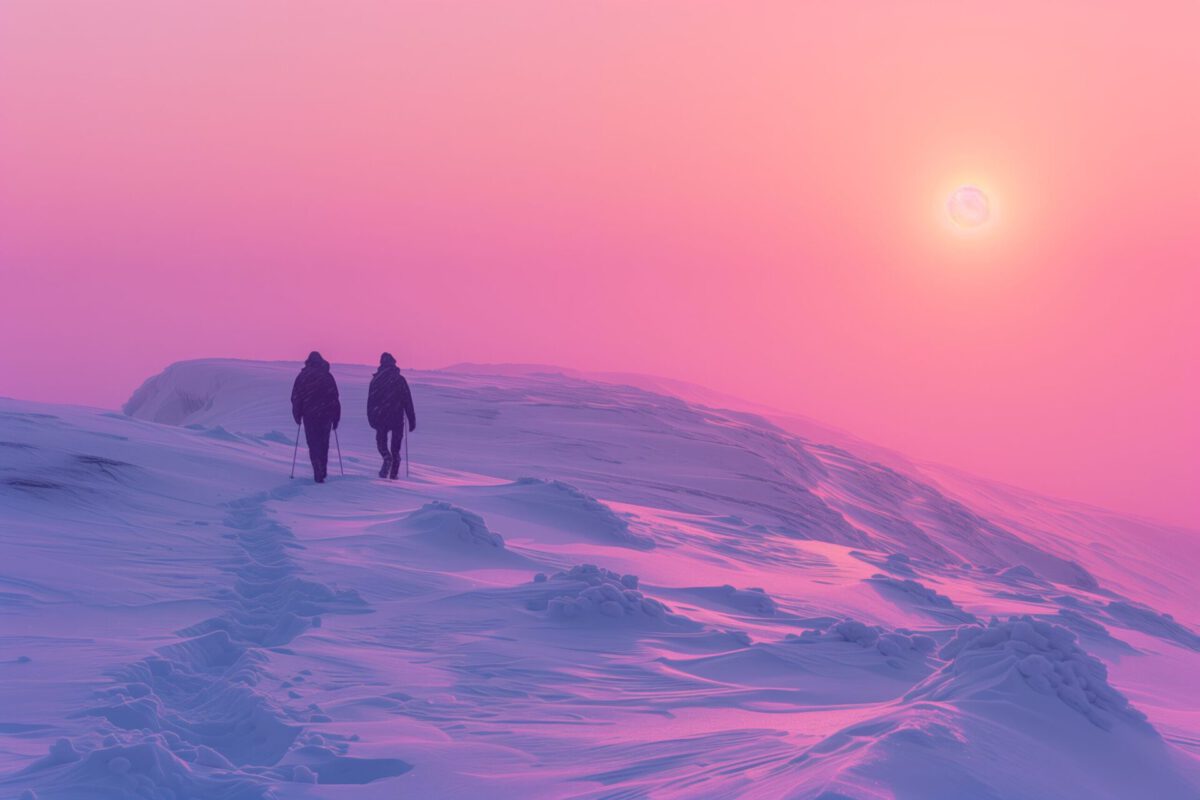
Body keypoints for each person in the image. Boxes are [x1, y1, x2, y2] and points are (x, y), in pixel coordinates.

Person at [291, 351, 341, 483]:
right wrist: (336, 417)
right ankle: (322, 469)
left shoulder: (303, 376)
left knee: (313, 443)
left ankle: (317, 469)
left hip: (310, 415)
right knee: (324, 443)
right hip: (326, 415)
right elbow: (335, 398)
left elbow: (296, 397)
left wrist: (297, 414)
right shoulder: (327, 376)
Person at [367, 352, 416, 480]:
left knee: (381, 443)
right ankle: (394, 476)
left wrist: (371, 418)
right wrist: (412, 420)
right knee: (396, 448)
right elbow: (407, 401)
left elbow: (370, 401)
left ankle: (386, 457)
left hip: (381, 417)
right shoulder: (399, 379)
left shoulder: (376, 380)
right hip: (396, 417)